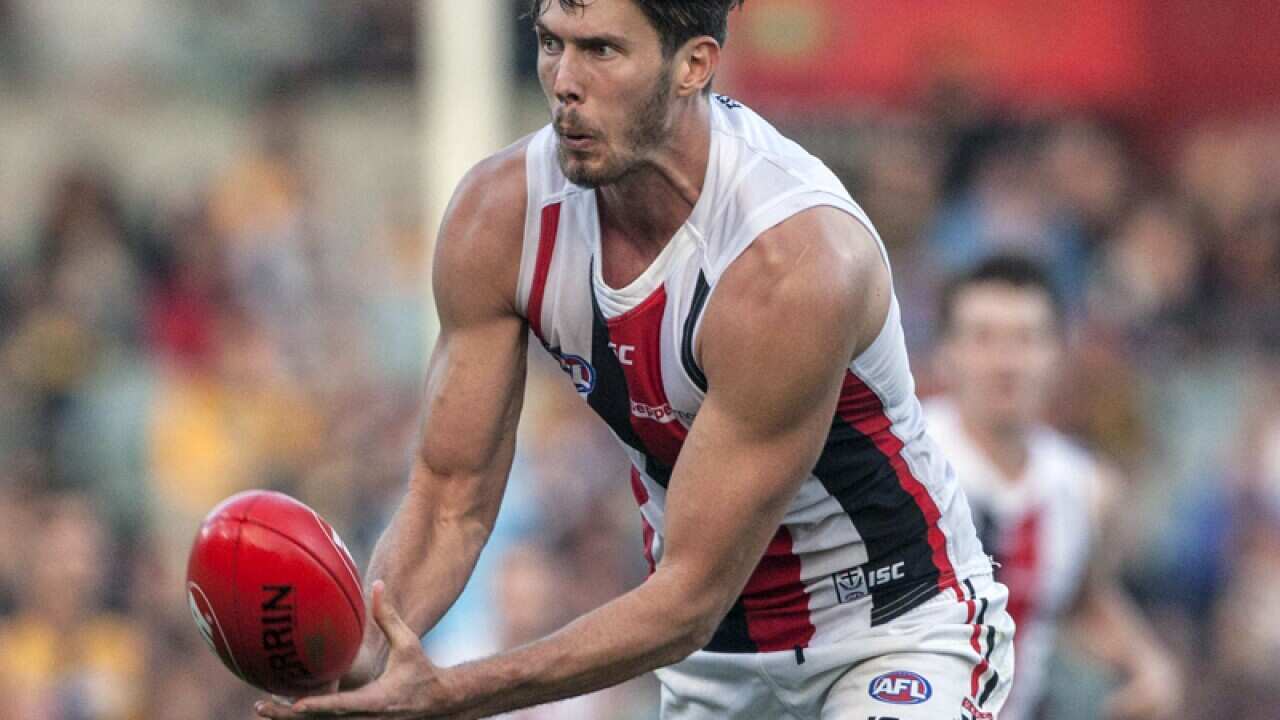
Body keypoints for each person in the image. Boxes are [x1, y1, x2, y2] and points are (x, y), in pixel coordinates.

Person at [258, 1, 1012, 718]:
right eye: (553, 42)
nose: (564, 82)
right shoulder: (498, 217)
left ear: (694, 65)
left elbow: (687, 597)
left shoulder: (791, 262)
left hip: (891, 629)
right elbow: (449, 499)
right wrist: (359, 656)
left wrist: (453, 693)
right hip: (715, 658)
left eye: (602, 50)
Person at [925, 255, 1183, 719]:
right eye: (983, 338)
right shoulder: (906, 461)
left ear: (1058, 353)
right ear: (946, 352)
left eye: (1025, 339)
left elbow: (1079, 595)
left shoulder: (1082, 488)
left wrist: (1147, 663)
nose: (1005, 362)